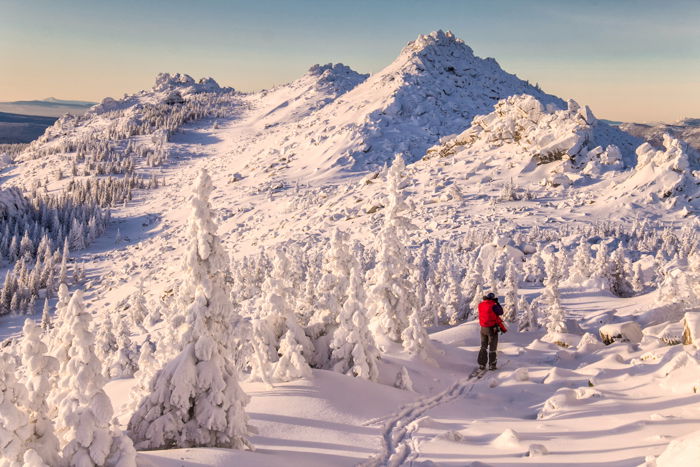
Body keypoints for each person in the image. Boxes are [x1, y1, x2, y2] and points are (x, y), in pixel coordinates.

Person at [477, 292, 507, 370]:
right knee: (492, 347)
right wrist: (497, 303)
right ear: (493, 298)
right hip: (492, 328)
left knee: (483, 346)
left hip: (483, 328)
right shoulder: (493, 305)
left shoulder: (480, 304)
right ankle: (492, 365)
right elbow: (500, 312)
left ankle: (482, 364)